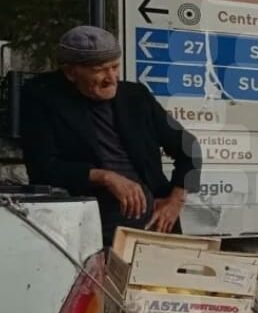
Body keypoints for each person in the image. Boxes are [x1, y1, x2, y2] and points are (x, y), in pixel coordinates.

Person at [20, 25, 202, 246]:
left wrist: (175, 201)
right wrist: (104, 177)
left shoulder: (135, 96)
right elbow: (43, 169)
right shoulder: (42, 99)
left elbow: (189, 147)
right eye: (100, 69)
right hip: (90, 225)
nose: (112, 77)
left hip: (155, 220)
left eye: (115, 67)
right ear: (70, 72)